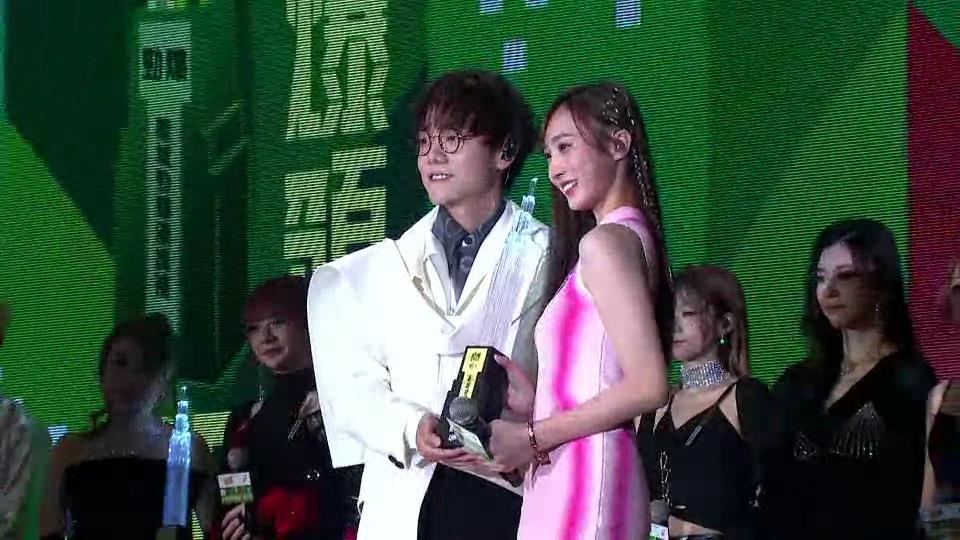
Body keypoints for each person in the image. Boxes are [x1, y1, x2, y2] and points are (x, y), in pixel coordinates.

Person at [307, 70, 549, 540]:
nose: (432, 156)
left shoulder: (549, 257)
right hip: (403, 495)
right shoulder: (382, 266)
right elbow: (354, 389)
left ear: (504, 151)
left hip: (507, 498)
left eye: (452, 139)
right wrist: (411, 425)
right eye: (424, 142)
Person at [485, 82, 672, 539]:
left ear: (619, 144)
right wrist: (539, 398)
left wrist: (532, 436)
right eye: (549, 154)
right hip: (574, 471)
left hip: (587, 480)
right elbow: (606, 372)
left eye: (565, 147)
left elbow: (649, 385)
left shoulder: (605, 243)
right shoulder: (624, 238)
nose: (554, 169)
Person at [761, 218, 938, 539]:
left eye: (846, 276)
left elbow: (914, 499)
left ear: (882, 285)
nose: (828, 292)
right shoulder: (796, 383)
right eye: (820, 278)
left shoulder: (911, 383)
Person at [39, 314, 216, 539]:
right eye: (120, 363)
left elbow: (221, 527)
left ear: (163, 382)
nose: (130, 379)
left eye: (146, 369)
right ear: (102, 370)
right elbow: (48, 530)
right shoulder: (70, 451)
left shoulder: (189, 449)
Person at [637, 266, 778, 539]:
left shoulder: (746, 397)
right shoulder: (652, 406)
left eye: (688, 313)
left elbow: (779, 494)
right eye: (669, 314)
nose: (674, 326)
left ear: (725, 324)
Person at [219, 276, 361, 540]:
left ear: (308, 321)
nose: (266, 337)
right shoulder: (244, 420)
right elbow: (234, 494)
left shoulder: (346, 397)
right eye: (254, 328)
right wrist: (240, 521)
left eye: (277, 322)